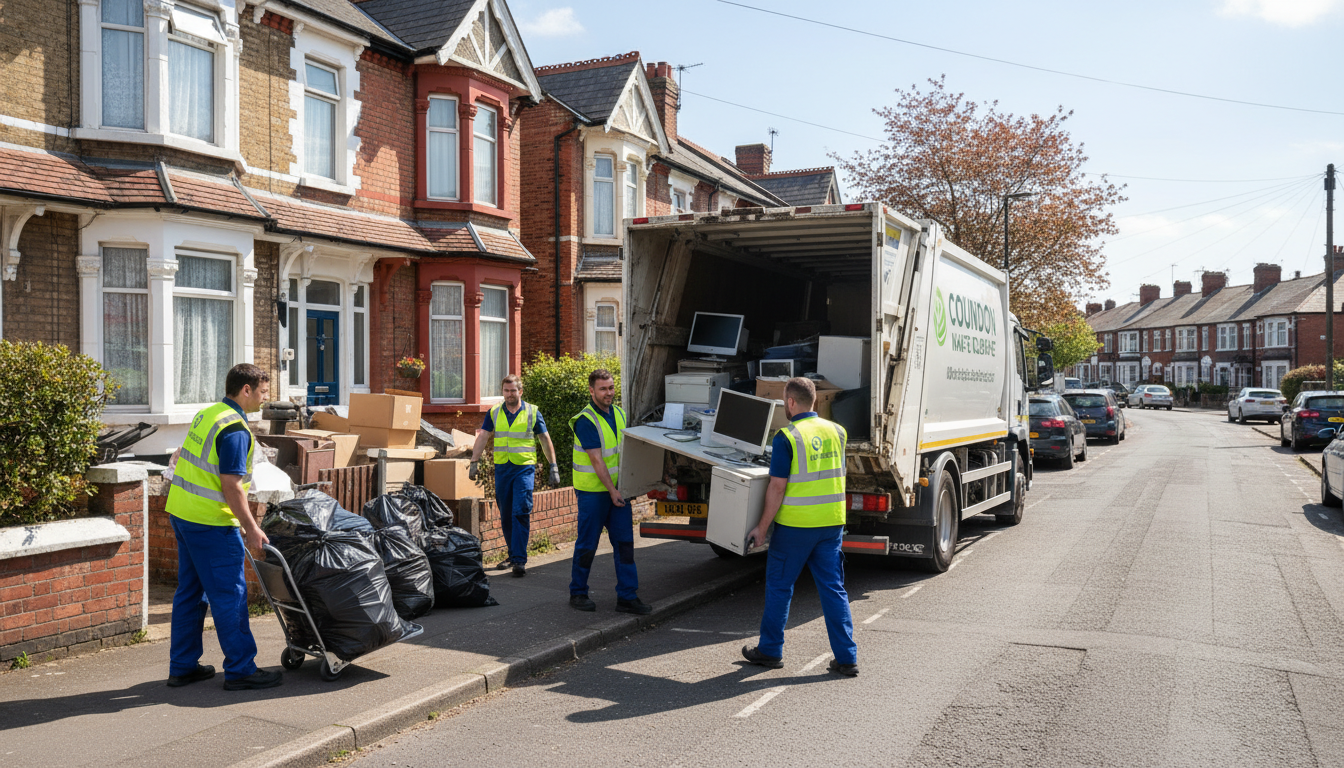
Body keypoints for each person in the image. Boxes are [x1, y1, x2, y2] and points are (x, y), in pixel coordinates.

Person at [165, 363, 283, 690]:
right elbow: (230, 485)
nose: (264, 398)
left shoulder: (209, 413)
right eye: (262, 391)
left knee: (190, 592)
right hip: (211, 523)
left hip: (183, 513)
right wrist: (251, 527)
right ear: (246, 390)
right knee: (229, 594)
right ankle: (241, 669)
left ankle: (183, 666)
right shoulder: (235, 430)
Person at [741, 377, 858, 677]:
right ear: (815, 400)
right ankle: (846, 657)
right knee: (833, 590)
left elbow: (777, 488)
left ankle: (769, 650)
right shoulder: (838, 432)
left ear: (791, 402)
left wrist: (762, 527)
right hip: (831, 523)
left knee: (780, 587)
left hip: (795, 527)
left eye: (784, 401)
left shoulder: (786, 437)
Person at [567, 369, 651, 615]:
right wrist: (613, 490)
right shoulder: (585, 420)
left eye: (611, 387)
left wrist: (630, 485)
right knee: (587, 544)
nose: (608, 393)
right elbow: (596, 460)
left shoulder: (620, 413)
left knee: (625, 544)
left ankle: (627, 596)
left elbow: (627, 453)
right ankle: (578, 592)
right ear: (591, 391)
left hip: (617, 492)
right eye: (603, 389)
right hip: (593, 494)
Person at [468, 374, 560, 577]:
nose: (509, 394)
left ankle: (519, 560)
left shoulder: (532, 411)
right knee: (506, 513)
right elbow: (483, 435)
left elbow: (544, 438)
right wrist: (474, 462)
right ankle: (513, 554)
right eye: (506, 391)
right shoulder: (494, 412)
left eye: (513, 390)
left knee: (521, 510)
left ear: (521, 391)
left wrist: (553, 466)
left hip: (524, 468)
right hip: (502, 469)